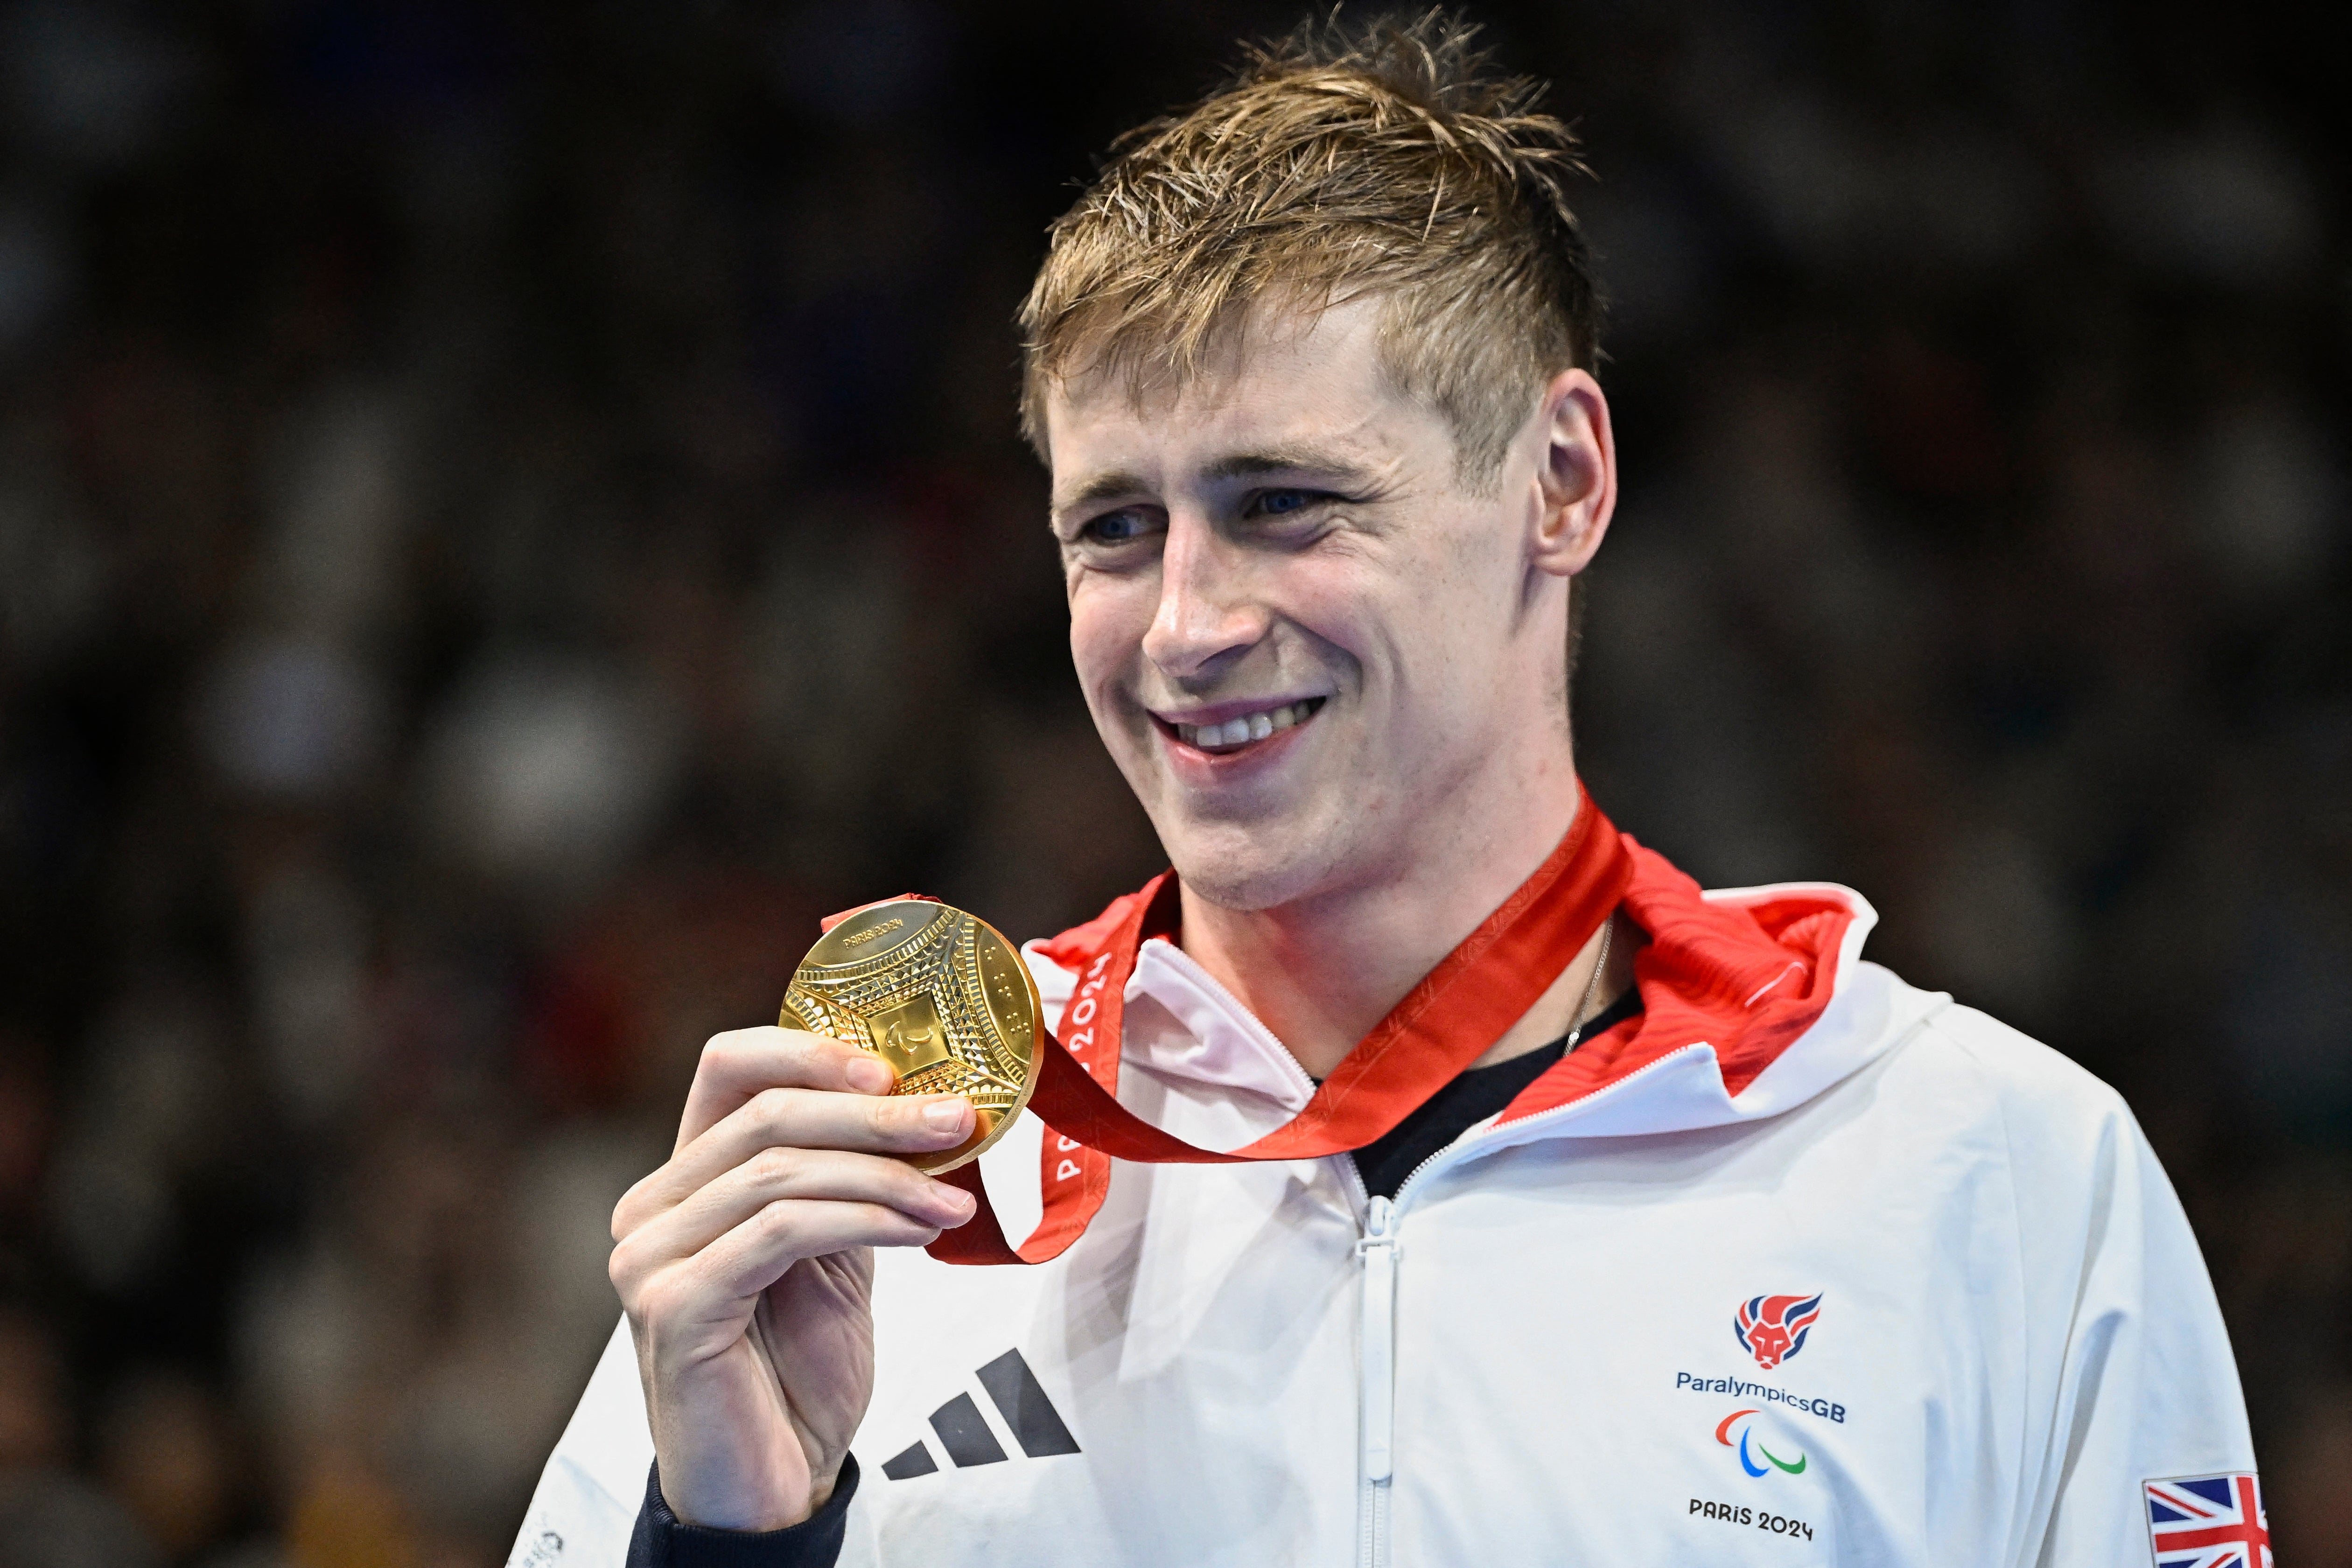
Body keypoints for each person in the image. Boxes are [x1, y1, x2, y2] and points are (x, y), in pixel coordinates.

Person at [511, 16, 2260, 1567]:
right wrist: (736, 1549)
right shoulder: (863, 1192)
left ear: (1559, 482)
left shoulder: (1989, 1179)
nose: (1187, 625)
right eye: (1118, 528)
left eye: (1285, 503)